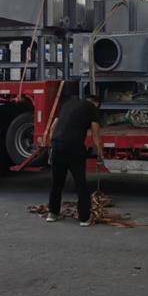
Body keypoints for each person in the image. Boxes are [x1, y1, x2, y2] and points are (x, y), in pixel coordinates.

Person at [47, 94, 104, 226]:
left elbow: (53, 127)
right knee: (80, 183)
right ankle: (84, 218)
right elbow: (96, 135)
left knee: (57, 182)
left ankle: (53, 213)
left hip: (57, 144)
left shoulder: (68, 104)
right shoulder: (92, 108)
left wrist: (53, 146)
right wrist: (99, 155)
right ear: (96, 104)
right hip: (74, 146)